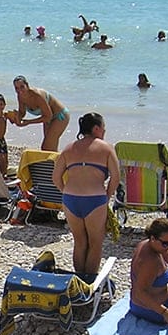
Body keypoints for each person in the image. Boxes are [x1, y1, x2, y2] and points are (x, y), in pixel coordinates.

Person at [52, 113, 120, 280]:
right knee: (95, 244)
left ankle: (78, 280)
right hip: (94, 200)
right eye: (103, 128)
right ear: (96, 128)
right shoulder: (106, 148)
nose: (104, 131)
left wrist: (65, 192)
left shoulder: (69, 148)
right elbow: (116, 177)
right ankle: (88, 283)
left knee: (80, 242)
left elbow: (55, 177)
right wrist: (107, 196)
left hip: (70, 199)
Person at [11, 75, 70, 152]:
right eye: (16, 88)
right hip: (47, 119)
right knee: (49, 148)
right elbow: (22, 112)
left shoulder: (37, 95)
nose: (19, 90)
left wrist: (28, 122)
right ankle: (56, 163)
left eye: (22, 87)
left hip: (60, 116)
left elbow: (48, 116)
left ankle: (61, 162)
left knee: (47, 147)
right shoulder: (20, 96)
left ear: (27, 85)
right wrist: (16, 117)